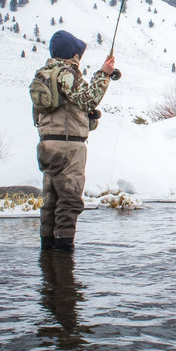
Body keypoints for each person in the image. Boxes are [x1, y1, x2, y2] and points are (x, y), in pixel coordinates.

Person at [35, 30, 115, 252]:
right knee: (69, 202)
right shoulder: (67, 74)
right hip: (69, 148)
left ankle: (48, 260)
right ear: (72, 53)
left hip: (47, 146)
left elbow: (46, 114)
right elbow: (89, 100)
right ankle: (64, 259)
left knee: (50, 203)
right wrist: (104, 74)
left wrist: (85, 121)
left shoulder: (44, 74)